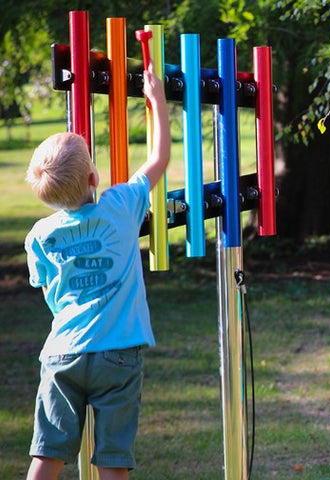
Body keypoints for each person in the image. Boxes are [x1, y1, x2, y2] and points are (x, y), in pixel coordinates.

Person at [24, 61, 170, 480]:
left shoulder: (40, 235)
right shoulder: (121, 207)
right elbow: (159, 158)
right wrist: (155, 99)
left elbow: (48, 291)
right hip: (118, 354)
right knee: (112, 461)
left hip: (62, 353)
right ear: (94, 176)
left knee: (46, 456)